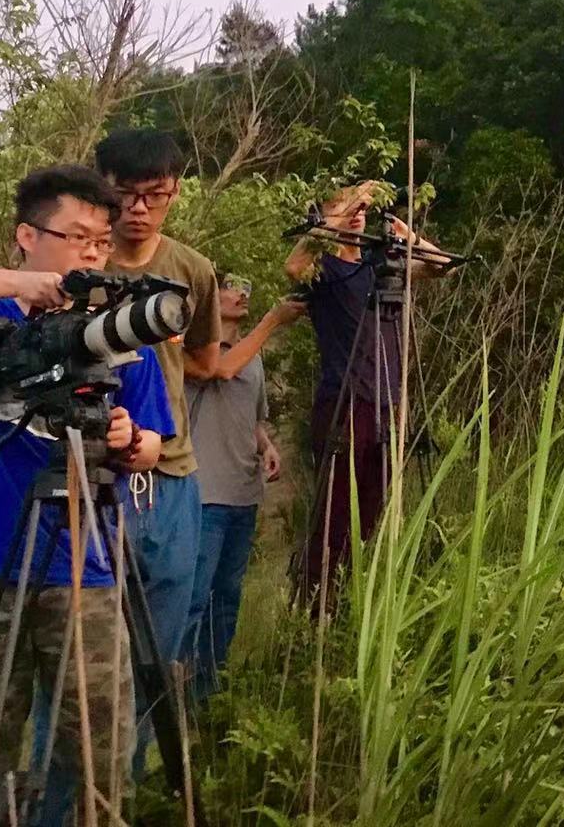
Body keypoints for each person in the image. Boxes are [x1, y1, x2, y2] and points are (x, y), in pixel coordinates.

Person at [0, 164, 174, 826]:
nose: (90, 252)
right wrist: (19, 284)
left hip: (87, 567)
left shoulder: (119, 336)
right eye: (75, 236)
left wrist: (135, 441)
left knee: (104, 750)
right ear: (27, 234)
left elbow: (157, 443)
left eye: (100, 242)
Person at [90, 128, 221, 768]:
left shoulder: (192, 270)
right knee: (85, 651)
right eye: (125, 195)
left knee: (158, 649)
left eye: (155, 195)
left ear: (173, 194)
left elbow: (204, 358)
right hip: (89, 481)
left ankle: (131, 782)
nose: (139, 210)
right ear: (103, 190)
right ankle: (70, 784)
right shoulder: (78, 269)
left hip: (170, 476)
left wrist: (157, 359)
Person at [285, 182, 456, 610]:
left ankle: (351, 600)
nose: (358, 212)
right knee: (335, 513)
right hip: (344, 399)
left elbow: (443, 266)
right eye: (346, 207)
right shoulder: (323, 268)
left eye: (363, 208)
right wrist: (335, 216)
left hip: (386, 400)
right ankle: (315, 604)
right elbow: (294, 266)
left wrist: (410, 237)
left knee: (373, 510)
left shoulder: (382, 266)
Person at [185, 272, 304, 700]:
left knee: (227, 598)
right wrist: (273, 319)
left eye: (246, 286)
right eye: (231, 285)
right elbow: (219, 370)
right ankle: (174, 698)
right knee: (194, 600)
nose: (242, 292)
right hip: (204, 493)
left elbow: (253, 414)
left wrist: (266, 444)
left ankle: (209, 691)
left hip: (242, 493)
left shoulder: (251, 355)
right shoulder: (193, 349)